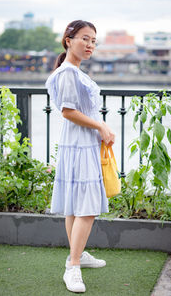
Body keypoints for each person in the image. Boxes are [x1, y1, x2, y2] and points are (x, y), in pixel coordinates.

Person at [45, 20, 115, 293]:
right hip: (79, 145)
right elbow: (68, 111)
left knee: (77, 205)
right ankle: (73, 266)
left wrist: (99, 129)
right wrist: (101, 125)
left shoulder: (72, 71)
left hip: (80, 144)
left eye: (93, 41)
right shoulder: (68, 73)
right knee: (87, 207)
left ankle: (78, 254)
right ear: (68, 40)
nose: (90, 45)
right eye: (85, 39)